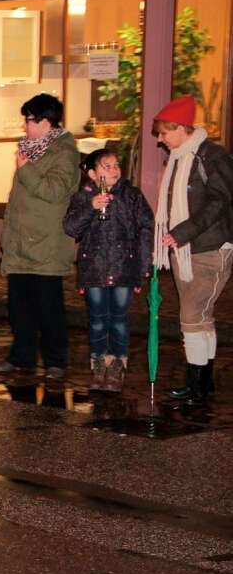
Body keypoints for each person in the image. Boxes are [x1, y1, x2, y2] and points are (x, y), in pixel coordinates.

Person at [152, 96, 233, 403]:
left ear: (181, 128)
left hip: (210, 247)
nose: (160, 139)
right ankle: (204, 383)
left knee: (191, 316)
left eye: (164, 133)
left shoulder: (212, 157)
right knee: (201, 317)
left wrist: (182, 233)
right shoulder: (177, 157)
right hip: (185, 249)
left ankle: (196, 386)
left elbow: (218, 200)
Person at [0, 93, 80, 380]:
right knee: (19, 305)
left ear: (45, 122)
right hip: (22, 241)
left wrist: (26, 170)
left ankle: (56, 360)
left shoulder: (65, 153)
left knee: (48, 306)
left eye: (29, 120)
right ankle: (23, 356)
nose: (25, 126)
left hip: (47, 243)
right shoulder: (31, 149)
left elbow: (55, 192)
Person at [63, 148, 153, 392]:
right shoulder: (83, 196)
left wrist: (144, 266)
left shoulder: (131, 195)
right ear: (92, 173)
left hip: (124, 267)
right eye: (107, 166)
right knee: (98, 320)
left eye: (116, 165)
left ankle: (118, 365)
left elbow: (146, 228)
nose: (114, 170)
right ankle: (99, 364)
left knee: (119, 320)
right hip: (93, 268)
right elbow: (71, 228)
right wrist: (91, 206)